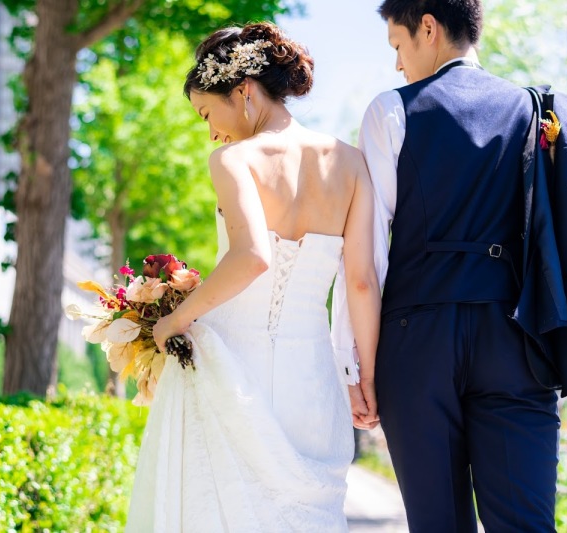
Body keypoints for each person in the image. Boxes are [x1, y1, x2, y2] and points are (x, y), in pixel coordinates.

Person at [125, 22, 381, 532]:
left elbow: (252, 257)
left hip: (234, 368)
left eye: (207, 113)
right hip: (313, 376)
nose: (211, 131)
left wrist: (174, 319)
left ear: (241, 91)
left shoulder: (233, 159)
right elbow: (361, 283)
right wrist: (365, 378)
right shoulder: (352, 164)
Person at [332, 1, 564, 531]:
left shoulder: (391, 110)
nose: (396, 65)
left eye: (397, 45)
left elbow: (366, 263)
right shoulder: (533, 109)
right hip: (517, 338)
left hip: (417, 343)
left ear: (428, 29)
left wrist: (360, 369)